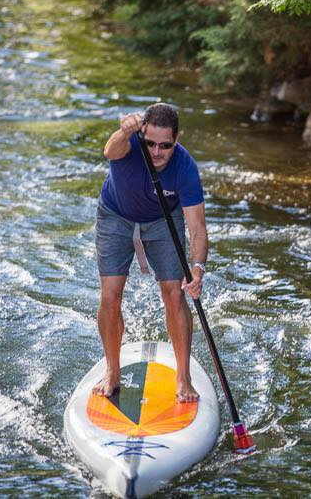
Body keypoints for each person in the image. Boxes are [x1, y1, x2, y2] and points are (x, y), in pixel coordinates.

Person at [93, 103, 207, 402]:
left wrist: (198, 267)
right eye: (151, 144)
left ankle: (183, 378)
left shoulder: (185, 167)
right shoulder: (128, 143)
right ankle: (112, 371)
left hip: (161, 222)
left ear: (177, 139)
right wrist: (124, 131)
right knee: (110, 296)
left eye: (165, 146)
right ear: (142, 135)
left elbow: (196, 227)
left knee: (174, 293)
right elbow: (109, 151)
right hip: (115, 216)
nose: (157, 152)